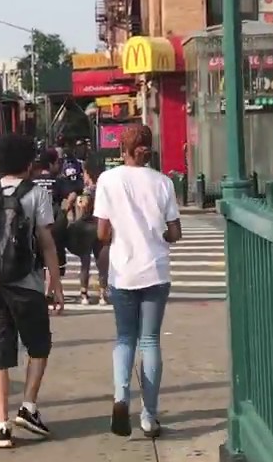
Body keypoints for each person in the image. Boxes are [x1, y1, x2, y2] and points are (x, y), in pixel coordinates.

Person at [0, 134, 64, 449]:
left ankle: (1, 425)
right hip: (27, 285)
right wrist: (55, 283)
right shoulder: (36, 195)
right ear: (27, 163)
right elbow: (46, 243)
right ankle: (29, 407)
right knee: (38, 346)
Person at [93, 125, 180, 439]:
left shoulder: (108, 180)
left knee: (125, 338)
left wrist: (122, 232)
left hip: (123, 271)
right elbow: (175, 233)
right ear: (149, 149)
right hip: (155, 270)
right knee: (150, 341)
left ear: (122, 150)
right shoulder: (163, 182)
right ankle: (149, 416)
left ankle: (120, 397)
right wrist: (157, 233)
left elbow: (102, 234)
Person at [30, 150, 72, 281]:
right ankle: (50, 291)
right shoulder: (57, 181)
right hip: (54, 222)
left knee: (38, 257)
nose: (59, 166)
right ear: (50, 164)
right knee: (54, 255)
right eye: (57, 163)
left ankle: (41, 289)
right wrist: (64, 211)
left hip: (35, 223)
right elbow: (72, 195)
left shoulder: (32, 182)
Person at [65, 181, 109, 306]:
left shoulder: (87, 191)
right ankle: (102, 294)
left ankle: (84, 294)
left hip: (86, 227)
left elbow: (83, 205)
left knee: (85, 262)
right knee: (102, 263)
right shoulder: (106, 191)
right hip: (101, 226)